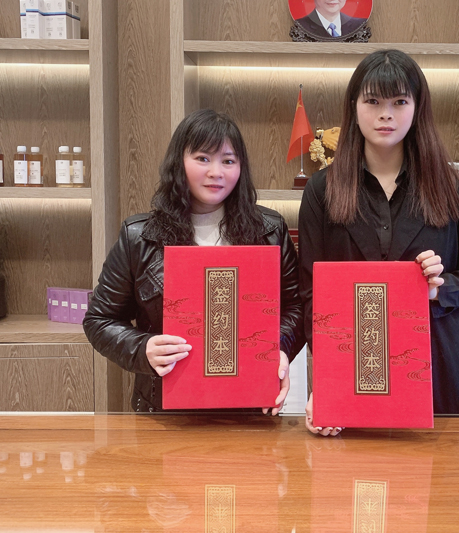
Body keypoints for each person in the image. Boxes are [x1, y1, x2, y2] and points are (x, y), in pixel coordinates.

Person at [299, 49, 459, 435]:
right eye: (373, 101)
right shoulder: (323, 190)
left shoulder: (452, 189)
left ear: (418, 108)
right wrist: (328, 381)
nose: (385, 114)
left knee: (449, 472)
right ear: (354, 107)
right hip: (356, 365)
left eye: (399, 102)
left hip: (441, 368)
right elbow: (311, 296)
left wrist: (438, 288)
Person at [84, 109, 305, 413]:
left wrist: (277, 348)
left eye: (228, 161)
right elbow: (99, 320)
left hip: (250, 407)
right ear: (179, 162)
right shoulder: (139, 236)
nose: (216, 172)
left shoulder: (269, 230)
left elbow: (295, 307)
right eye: (203, 158)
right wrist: (142, 348)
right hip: (165, 411)